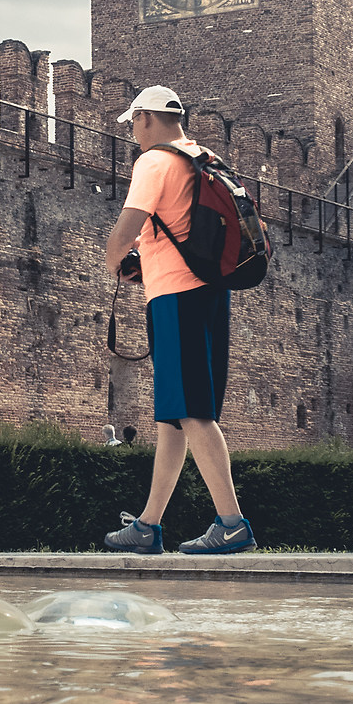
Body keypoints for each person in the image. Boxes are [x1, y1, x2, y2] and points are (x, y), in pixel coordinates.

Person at [100, 85, 257, 556]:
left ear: (146, 118)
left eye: (134, 122)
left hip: (175, 296)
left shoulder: (154, 161)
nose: (134, 132)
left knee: (192, 411)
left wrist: (115, 260)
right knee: (174, 417)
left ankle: (232, 524)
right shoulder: (203, 158)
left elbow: (126, 230)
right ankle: (148, 526)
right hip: (210, 292)